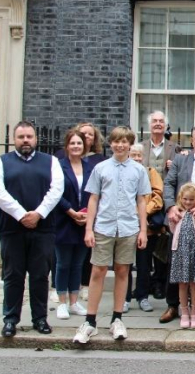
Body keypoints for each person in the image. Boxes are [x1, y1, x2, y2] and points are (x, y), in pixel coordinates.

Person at [73, 126, 150, 344]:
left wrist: (143, 230)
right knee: (97, 271)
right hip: (104, 226)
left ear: (130, 143)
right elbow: (93, 199)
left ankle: (117, 318)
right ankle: (90, 321)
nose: (120, 145)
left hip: (128, 227)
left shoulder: (138, 170)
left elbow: (142, 201)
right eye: (116, 141)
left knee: (123, 271)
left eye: (124, 141)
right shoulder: (101, 168)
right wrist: (89, 228)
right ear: (111, 143)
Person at [0, 121, 64, 337]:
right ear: (15, 139)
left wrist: (38, 213)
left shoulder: (51, 162)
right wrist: (21, 215)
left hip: (43, 228)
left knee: (40, 275)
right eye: (21, 137)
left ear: (36, 139)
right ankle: (10, 319)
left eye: (29, 136)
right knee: (13, 275)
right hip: (12, 229)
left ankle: (40, 319)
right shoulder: (0, 163)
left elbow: (56, 190)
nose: (26, 140)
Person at [160, 126, 195, 325]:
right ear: (192, 141)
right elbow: (168, 184)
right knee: (174, 262)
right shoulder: (180, 160)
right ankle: (173, 305)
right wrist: (170, 207)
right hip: (180, 217)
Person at [53, 129, 92, 320]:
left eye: (79, 143)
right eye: (73, 143)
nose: (76, 146)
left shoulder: (89, 167)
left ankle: (74, 302)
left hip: (84, 221)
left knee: (78, 264)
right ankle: (61, 302)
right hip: (64, 220)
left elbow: (94, 193)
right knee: (62, 264)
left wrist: (86, 213)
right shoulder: (59, 166)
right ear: (67, 146)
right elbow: (55, 193)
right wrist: (71, 211)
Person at [126, 143, 164, 313]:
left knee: (144, 264)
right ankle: (124, 298)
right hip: (125, 225)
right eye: (133, 154)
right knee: (124, 263)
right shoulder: (123, 172)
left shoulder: (150, 172)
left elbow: (158, 197)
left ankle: (142, 297)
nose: (136, 158)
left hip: (146, 225)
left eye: (139, 155)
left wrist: (143, 211)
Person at [169, 183, 195, 329]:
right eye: (185, 199)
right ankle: (184, 312)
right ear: (180, 198)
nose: (188, 202)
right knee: (182, 283)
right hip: (180, 251)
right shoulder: (179, 213)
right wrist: (172, 221)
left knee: (194, 283)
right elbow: (173, 231)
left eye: (191, 199)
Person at [143, 111, 177, 179]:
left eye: (161, 121)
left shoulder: (175, 148)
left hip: (166, 188)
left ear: (166, 126)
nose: (158, 124)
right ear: (150, 125)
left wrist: (174, 166)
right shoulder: (141, 147)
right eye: (154, 121)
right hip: (145, 188)